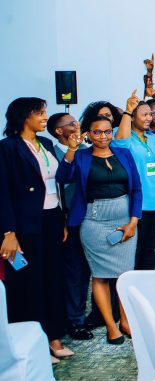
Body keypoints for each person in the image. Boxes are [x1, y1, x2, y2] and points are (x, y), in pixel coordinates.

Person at [0, 98, 75, 360]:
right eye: (40, 113)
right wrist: (8, 232)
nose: (45, 118)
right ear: (24, 116)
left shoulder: (45, 144)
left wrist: (62, 220)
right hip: (24, 225)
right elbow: (3, 192)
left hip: (52, 219)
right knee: (28, 283)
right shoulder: (7, 148)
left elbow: (58, 181)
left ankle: (54, 336)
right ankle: (34, 344)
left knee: (53, 278)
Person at [56, 115, 141, 345]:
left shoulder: (124, 153)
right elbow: (62, 177)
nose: (103, 136)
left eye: (107, 131)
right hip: (93, 222)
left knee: (125, 274)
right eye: (97, 132)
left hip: (124, 219)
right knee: (101, 275)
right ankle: (111, 326)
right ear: (88, 134)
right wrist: (72, 149)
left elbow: (136, 189)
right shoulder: (81, 156)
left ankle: (125, 321)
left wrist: (133, 222)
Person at [46, 112, 93, 341]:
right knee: (72, 271)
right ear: (59, 131)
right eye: (71, 123)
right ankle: (73, 321)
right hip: (66, 221)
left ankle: (79, 315)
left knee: (85, 271)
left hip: (90, 218)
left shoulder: (87, 150)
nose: (77, 125)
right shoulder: (51, 154)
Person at [112, 91, 155, 273]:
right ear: (133, 117)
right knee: (135, 248)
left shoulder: (154, 138)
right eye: (144, 115)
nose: (149, 118)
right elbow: (120, 143)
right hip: (138, 202)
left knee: (149, 248)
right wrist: (127, 111)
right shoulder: (125, 137)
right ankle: (130, 285)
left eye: (150, 114)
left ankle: (146, 283)